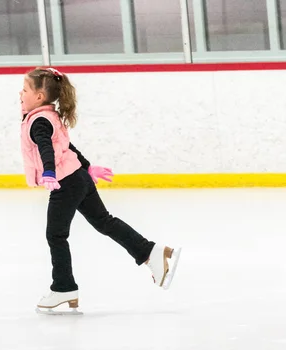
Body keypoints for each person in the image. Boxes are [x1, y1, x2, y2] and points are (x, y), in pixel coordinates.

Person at [19, 67, 181, 314]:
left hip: (65, 182)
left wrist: (50, 172)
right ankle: (150, 251)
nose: (20, 93)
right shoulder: (48, 116)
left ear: (39, 96)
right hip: (78, 177)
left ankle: (63, 287)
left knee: (56, 235)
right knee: (104, 222)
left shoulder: (39, 121)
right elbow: (66, 146)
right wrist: (87, 167)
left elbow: (46, 148)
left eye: (25, 89)